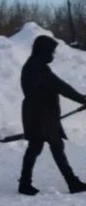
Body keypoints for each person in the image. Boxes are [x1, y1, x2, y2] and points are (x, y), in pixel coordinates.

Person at [18, 35, 86, 195]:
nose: (52, 55)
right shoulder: (38, 68)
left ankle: (25, 183)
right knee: (56, 147)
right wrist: (81, 98)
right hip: (42, 115)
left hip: (36, 113)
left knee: (35, 148)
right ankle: (72, 182)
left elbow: (56, 86)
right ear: (43, 51)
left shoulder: (33, 64)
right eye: (51, 52)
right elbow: (60, 86)